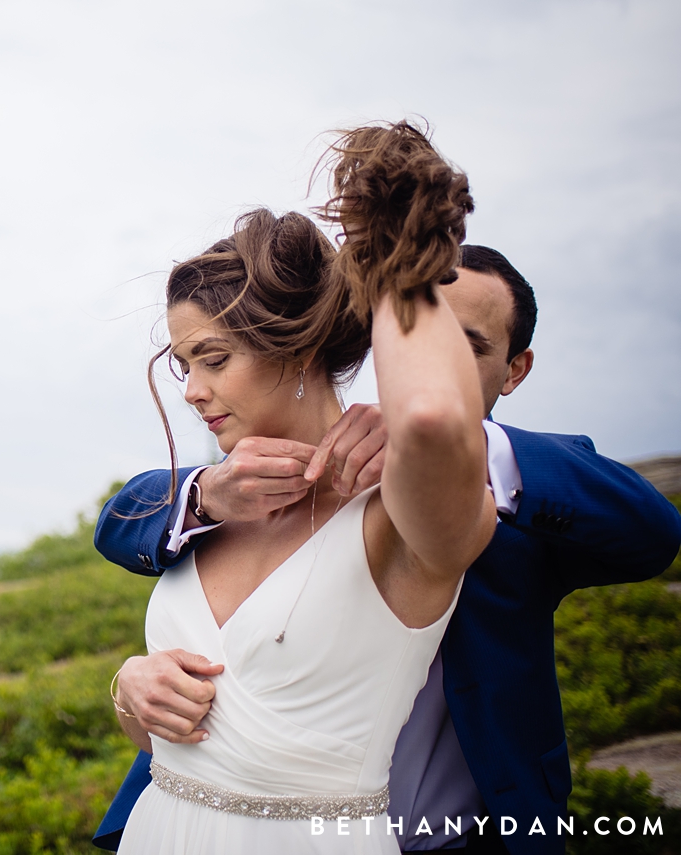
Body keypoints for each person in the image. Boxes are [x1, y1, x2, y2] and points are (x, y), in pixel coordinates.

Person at [94, 249, 681, 847]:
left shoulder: (517, 490)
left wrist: (455, 441)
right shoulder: (244, 485)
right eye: (411, 339)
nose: (430, 365)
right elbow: (123, 517)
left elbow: (653, 533)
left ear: (514, 369)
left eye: (464, 346)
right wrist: (132, 682)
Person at [106, 121, 498, 854]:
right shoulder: (212, 507)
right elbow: (176, 743)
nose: (192, 390)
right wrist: (133, 688)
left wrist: (396, 263)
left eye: (213, 358)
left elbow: (439, 420)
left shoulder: (396, 519)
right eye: (182, 364)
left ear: (302, 348)